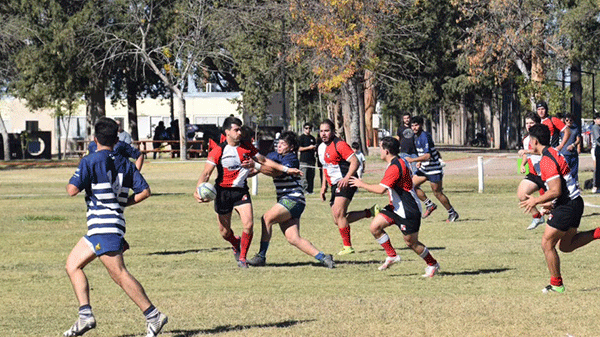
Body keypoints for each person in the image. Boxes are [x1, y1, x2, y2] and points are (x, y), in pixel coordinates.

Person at [63, 118, 167, 337]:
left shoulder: (90, 161)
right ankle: (85, 315)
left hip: (104, 225)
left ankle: (153, 315)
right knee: (72, 265)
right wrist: (123, 203)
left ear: (95, 139)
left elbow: (72, 190)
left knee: (119, 273)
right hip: (108, 225)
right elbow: (144, 192)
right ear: (116, 139)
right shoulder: (125, 163)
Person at [193, 116, 301, 268]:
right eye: (236, 130)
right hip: (223, 193)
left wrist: (286, 169)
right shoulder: (218, 150)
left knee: (249, 224)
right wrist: (197, 190)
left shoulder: (247, 146)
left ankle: (242, 258)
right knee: (224, 233)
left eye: (240, 129)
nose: (239, 132)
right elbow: (205, 174)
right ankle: (235, 243)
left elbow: (263, 160)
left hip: (241, 191)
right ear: (227, 132)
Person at [519, 123, 600, 294]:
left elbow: (556, 190)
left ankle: (556, 284)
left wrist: (536, 201)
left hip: (568, 205)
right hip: (574, 203)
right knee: (566, 246)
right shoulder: (553, 152)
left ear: (534, 141)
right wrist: (551, 204)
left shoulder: (547, 161)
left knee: (547, 243)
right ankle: (598, 232)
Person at [350, 137, 440, 276]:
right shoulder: (400, 160)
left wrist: (361, 184)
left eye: (380, 148)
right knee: (375, 227)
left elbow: (381, 190)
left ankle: (432, 264)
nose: (379, 151)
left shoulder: (394, 167)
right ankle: (392, 256)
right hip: (395, 207)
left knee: (411, 243)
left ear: (386, 151)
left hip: (408, 210)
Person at [246, 131, 335, 268]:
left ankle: (261, 256)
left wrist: (257, 165)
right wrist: (244, 171)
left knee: (266, 218)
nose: (279, 146)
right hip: (289, 200)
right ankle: (323, 257)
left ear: (291, 147)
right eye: (278, 143)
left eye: (283, 144)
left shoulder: (291, 158)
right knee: (293, 238)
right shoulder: (273, 156)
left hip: (293, 198)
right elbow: (262, 168)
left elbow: (276, 171)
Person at [318, 119, 380, 255]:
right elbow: (325, 167)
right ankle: (370, 212)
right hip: (334, 185)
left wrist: (347, 178)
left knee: (338, 213)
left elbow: (355, 161)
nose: (323, 134)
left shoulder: (339, 144)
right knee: (338, 219)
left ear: (333, 131)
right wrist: (323, 187)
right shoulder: (321, 147)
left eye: (326, 131)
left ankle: (348, 247)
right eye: (321, 131)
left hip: (347, 181)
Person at [406, 116, 458, 222]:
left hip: (434, 169)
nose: (414, 128)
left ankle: (452, 212)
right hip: (425, 168)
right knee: (410, 185)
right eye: (412, 125)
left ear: (421, 125)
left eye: (416, 125)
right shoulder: (415, 136)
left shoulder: (425, 136)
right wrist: (420, 161)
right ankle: (429, 205)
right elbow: (423, 154)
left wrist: (413, 160)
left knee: (437, 193)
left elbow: (428, 155)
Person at [517, 112, 545, 230]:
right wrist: (523, 164)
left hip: (547, 173)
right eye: (527, 123)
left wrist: (526, 151)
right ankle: (537, 216)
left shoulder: (543, 136)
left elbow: (542, 151)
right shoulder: (526, 139)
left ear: (537, 123)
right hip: (534, 174)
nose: (528, 125)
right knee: (521, 194)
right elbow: (526, 155)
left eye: (531, 123)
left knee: (551, 205)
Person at [559, 113, 581, 182]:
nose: (569, 122)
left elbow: (578, 139)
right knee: (564, 172)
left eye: (570, 120)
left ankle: (575, 184)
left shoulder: (575, 129)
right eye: (567, 120)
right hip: (564, 153)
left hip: (573, 154)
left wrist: (573, 145)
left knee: (574, 171)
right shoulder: (562, 130)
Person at [298, 123, 317, 194]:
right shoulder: (301, 138)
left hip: (312, 160)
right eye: (306, 128)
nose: (308, 130)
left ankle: (310, 190)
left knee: (311, 176)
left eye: (309, 128)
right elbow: (299, 148)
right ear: (304, 129)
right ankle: (304, 190)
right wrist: (309, 147)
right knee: (304, 177)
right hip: (304, 160)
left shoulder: (312, 138)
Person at [592, 114, 600, 192]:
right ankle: (595, 186)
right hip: (597, 149)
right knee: (597, 168)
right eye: (598, 118)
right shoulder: (595, 127)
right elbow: (598, 139)